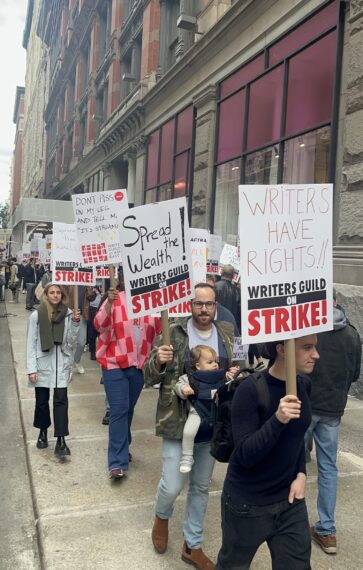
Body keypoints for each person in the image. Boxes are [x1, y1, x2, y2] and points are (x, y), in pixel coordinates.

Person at [144, 282, 235, 570]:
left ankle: (191, 544)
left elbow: (238, 367)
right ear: (190, 305)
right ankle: (162, 515)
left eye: (209, 304)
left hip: (212, 422)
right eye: (198, 303)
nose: (204, 309)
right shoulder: (173, 331)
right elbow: (149, 377)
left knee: (200, 486)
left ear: (215, 305)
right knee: (172, 484)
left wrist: (234, 372)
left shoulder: (227, 333)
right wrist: (158, 361)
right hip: (177, 420)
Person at [215, 335, 320, 570]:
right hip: (248, 504)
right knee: (232, 565)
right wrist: (278, 419)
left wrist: (301, 473)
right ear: (282, 349)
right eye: (307, 348)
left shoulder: (303, 385)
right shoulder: (250, 390)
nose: (316, 355)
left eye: (315, 347)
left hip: (290, 502)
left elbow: (296, 438)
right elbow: (244, 455)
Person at [305, 291, 361, 555]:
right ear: (337, 303)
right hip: (333, 409)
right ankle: (327, 531)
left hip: (307, 404)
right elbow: (355, 374)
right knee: (328, 468)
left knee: (292, 461)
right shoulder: (352, 334)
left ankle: (284, 518)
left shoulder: (309, 328)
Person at [94, 281, 162, 479]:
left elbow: (158, 329)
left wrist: (165, 307)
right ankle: (117, 462)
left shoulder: (153, 302)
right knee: (119, 410)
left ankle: (123, 444)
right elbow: (99, 325)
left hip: (139, 366)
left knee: (128, 409)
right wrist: (108, 303)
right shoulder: (116, 298)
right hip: (114, 363)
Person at [26, 283, 81, 457]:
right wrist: (31, 369)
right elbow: (31, 344)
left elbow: (73, 341)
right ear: (46, 295)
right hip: (43, 364)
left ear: (62, 295)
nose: (55, 295)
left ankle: (61, 440)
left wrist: (76, 323)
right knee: (41, 401)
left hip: (61, 364)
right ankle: (43, 431)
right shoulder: (37, 315)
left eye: (58, 292)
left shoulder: (70, 314)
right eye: (52, 292)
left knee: (61, 401)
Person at [175, 345, 235, 474]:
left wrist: (234, 374)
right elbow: (179, 384)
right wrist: (184, 389)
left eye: (215, 361)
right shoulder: (190, 377)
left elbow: (232, 383)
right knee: (188, 432)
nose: (215, 365)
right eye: (210, 362)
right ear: (197, 365)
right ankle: (186, 457)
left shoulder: (222, 375)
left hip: (216, 413)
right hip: (197, 412)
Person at [214, 264, 241, 331]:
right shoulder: (237, 290)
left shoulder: (215, 287)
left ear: (222, 273)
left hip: (216, 324)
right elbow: (239, 311)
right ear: (233, 276)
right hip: (231, 326)